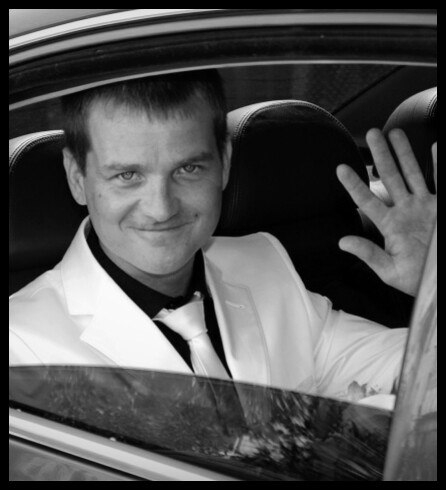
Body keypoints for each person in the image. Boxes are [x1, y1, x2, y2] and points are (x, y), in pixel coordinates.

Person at [9, 70, 437, 405]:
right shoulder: (21, 346)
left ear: (225, 164)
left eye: (188, 169)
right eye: (127, 175)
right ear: (77, 177)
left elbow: (413, 371)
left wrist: (433, 283)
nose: (161, 208)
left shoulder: (262, 263)